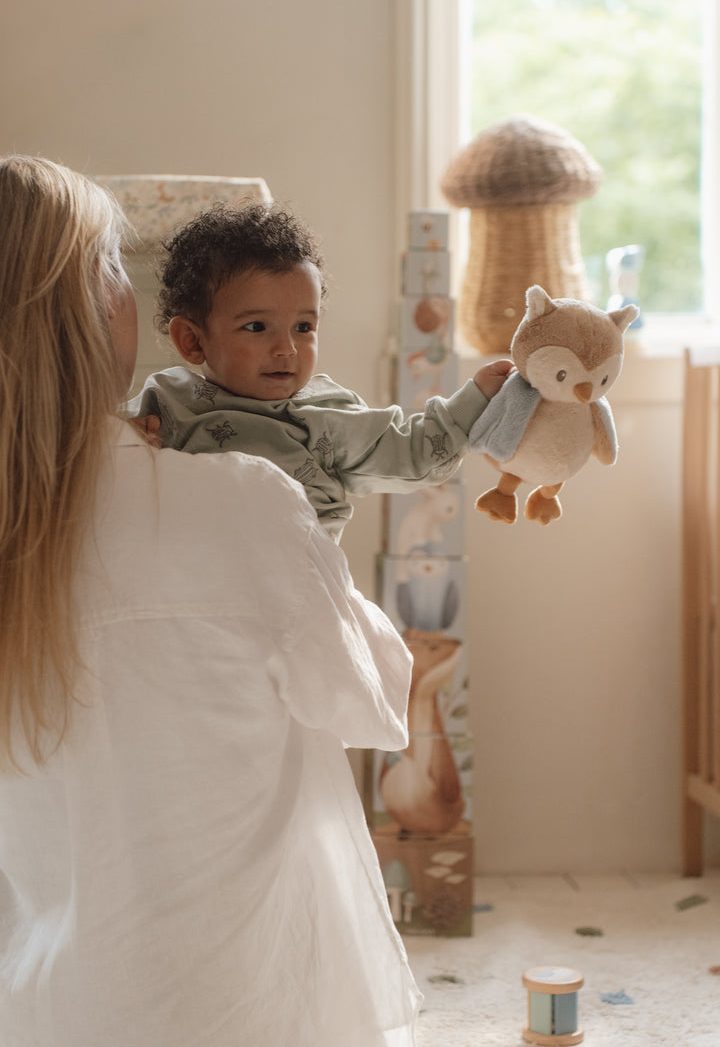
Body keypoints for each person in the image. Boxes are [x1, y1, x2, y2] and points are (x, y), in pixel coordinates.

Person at [0, 156, 421, 1046]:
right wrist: (321, 565)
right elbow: (371, 701)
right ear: (89, 307)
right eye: (116, 266)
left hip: (51, 1006)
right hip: (248, 1003)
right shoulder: (236, 498)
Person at [127, 202, 514, 540]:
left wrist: (476, 396)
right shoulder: (165, 402)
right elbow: (94, 457)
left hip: (300, 585)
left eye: (304, 327)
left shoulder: (327, 414)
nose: (287, 349)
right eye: (257, 327)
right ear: (193, 341)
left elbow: (416, 452)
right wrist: (126, 442)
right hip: (200, 583)